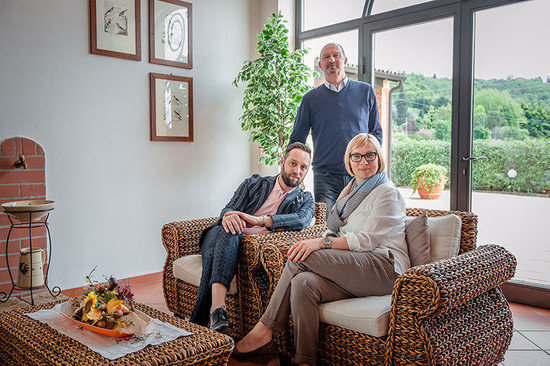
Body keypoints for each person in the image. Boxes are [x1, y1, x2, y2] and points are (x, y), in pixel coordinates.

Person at [232, 133, 410, 366]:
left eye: (370, 155)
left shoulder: (386, 192)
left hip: (384, 269)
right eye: (356, 156)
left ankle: (264, 330)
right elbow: (335, 231)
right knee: (303, 283)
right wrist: (324, 239)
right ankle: (304, 360)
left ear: (379, 159)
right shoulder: (351, 191)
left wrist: (320, 243)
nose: (363, 161)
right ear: (349, 161)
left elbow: (366, 240)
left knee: (302, 256)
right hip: (356, 266)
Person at [189, 142, 316, 334]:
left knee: (219, 250)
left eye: (303, 167)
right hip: (220, 236)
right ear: (282, 162)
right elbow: (228, 209)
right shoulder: (255, 183)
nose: (297, 170)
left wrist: (259, 221)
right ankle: (217, 312)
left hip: (246, 250)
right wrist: (231, 216)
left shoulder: (305, 199)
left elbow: (301, 220)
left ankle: (199, 323)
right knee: (233, 225)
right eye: (293, 163)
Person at [289, 43, 383, 214]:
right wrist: (294, 170)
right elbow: (297, 140)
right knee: (327, 230)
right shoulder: (310, 99)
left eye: (336, 55)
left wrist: (373, 164)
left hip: (361, 174)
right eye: (326, 57)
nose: (331, 60)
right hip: (325, 177)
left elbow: (375, 133)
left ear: (344, 60)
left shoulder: (366, 91)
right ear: (320, 65)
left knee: (361, 226)